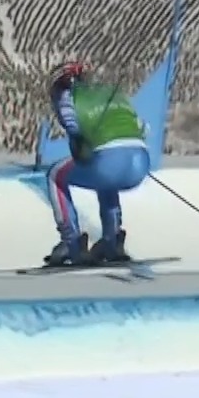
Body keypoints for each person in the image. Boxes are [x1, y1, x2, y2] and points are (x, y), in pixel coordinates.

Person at [40, 61, 148, 267]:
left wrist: (80, 144)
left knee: (55, 175)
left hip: (108, 162)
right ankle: (112, 240)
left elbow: (73, 128)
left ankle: (71, 243)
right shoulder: (112, 94)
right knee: (104, 180)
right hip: (140, 162)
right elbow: (143, 128)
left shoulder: (67, 97)